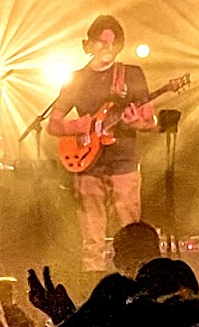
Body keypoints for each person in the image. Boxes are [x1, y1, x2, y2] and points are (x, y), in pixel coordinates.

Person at [47, 15, 156, 272]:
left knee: (130, 236)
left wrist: (135, 122)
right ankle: (92, 285)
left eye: (113, 43)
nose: (108, 47)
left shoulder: (131, 74)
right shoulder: (76, 79)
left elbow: (150, 121)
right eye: (102, 42)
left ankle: (132, 283)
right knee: (92, 240)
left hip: (124, 165)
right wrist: (74, 127)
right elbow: (53, 124)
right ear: (89, 44)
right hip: (87, 166)